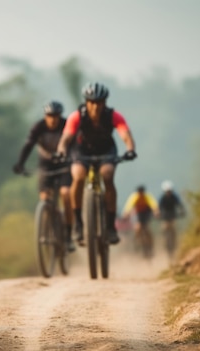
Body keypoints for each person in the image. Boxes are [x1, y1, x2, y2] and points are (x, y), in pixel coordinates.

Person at [56, 82, 137, 246]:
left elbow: (125, 134)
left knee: (107, 175)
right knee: (78, 176)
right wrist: (62, 151)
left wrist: (130, 149)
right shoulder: (76, 116)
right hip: (82, 150)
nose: (95, 106)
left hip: (106, 150)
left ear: (105, 102)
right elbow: (66, 138)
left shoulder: (114, 116)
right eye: (92, 102)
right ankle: (78, 223)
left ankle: (110, 226)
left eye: (99, 102)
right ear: (86, 102)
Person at [13, 101, 75, 252]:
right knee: (44, 197)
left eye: (55, 116)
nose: (52, 119)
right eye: (49, 116)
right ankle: (50, 224)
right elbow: (28, 145)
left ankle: (68, 235)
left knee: (66, 194)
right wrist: (20, 163)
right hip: (45, 165)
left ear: (60, 116)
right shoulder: (38, 127)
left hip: (65, 164)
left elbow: (75, 145)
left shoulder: (66, 126)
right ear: (45, 116)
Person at [157, 180, 186, 258]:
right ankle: (164, 243)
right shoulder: (162, 198)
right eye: (167, 191)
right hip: (165, 218)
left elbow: (180, 204)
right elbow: (158, 208)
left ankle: (175, 244)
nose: (168, 192)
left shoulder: (175, 197)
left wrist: (182, 211)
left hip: (172, 217)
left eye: (169, 191)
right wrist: (157, 213)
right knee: (164, 230)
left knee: (173, 231)